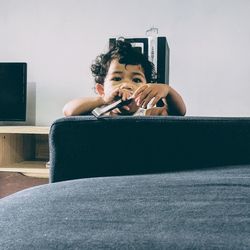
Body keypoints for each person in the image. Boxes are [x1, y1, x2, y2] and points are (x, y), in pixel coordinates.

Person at [63, 40, 186, 117]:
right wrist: (103, 100)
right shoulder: (100, 113)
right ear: (101, 90)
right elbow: (68, 111)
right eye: (117, 78)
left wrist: (168, 91)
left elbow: (178, 113)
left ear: (147, 89)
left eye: (136, 80)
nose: (126, 84)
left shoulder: (148, 115)